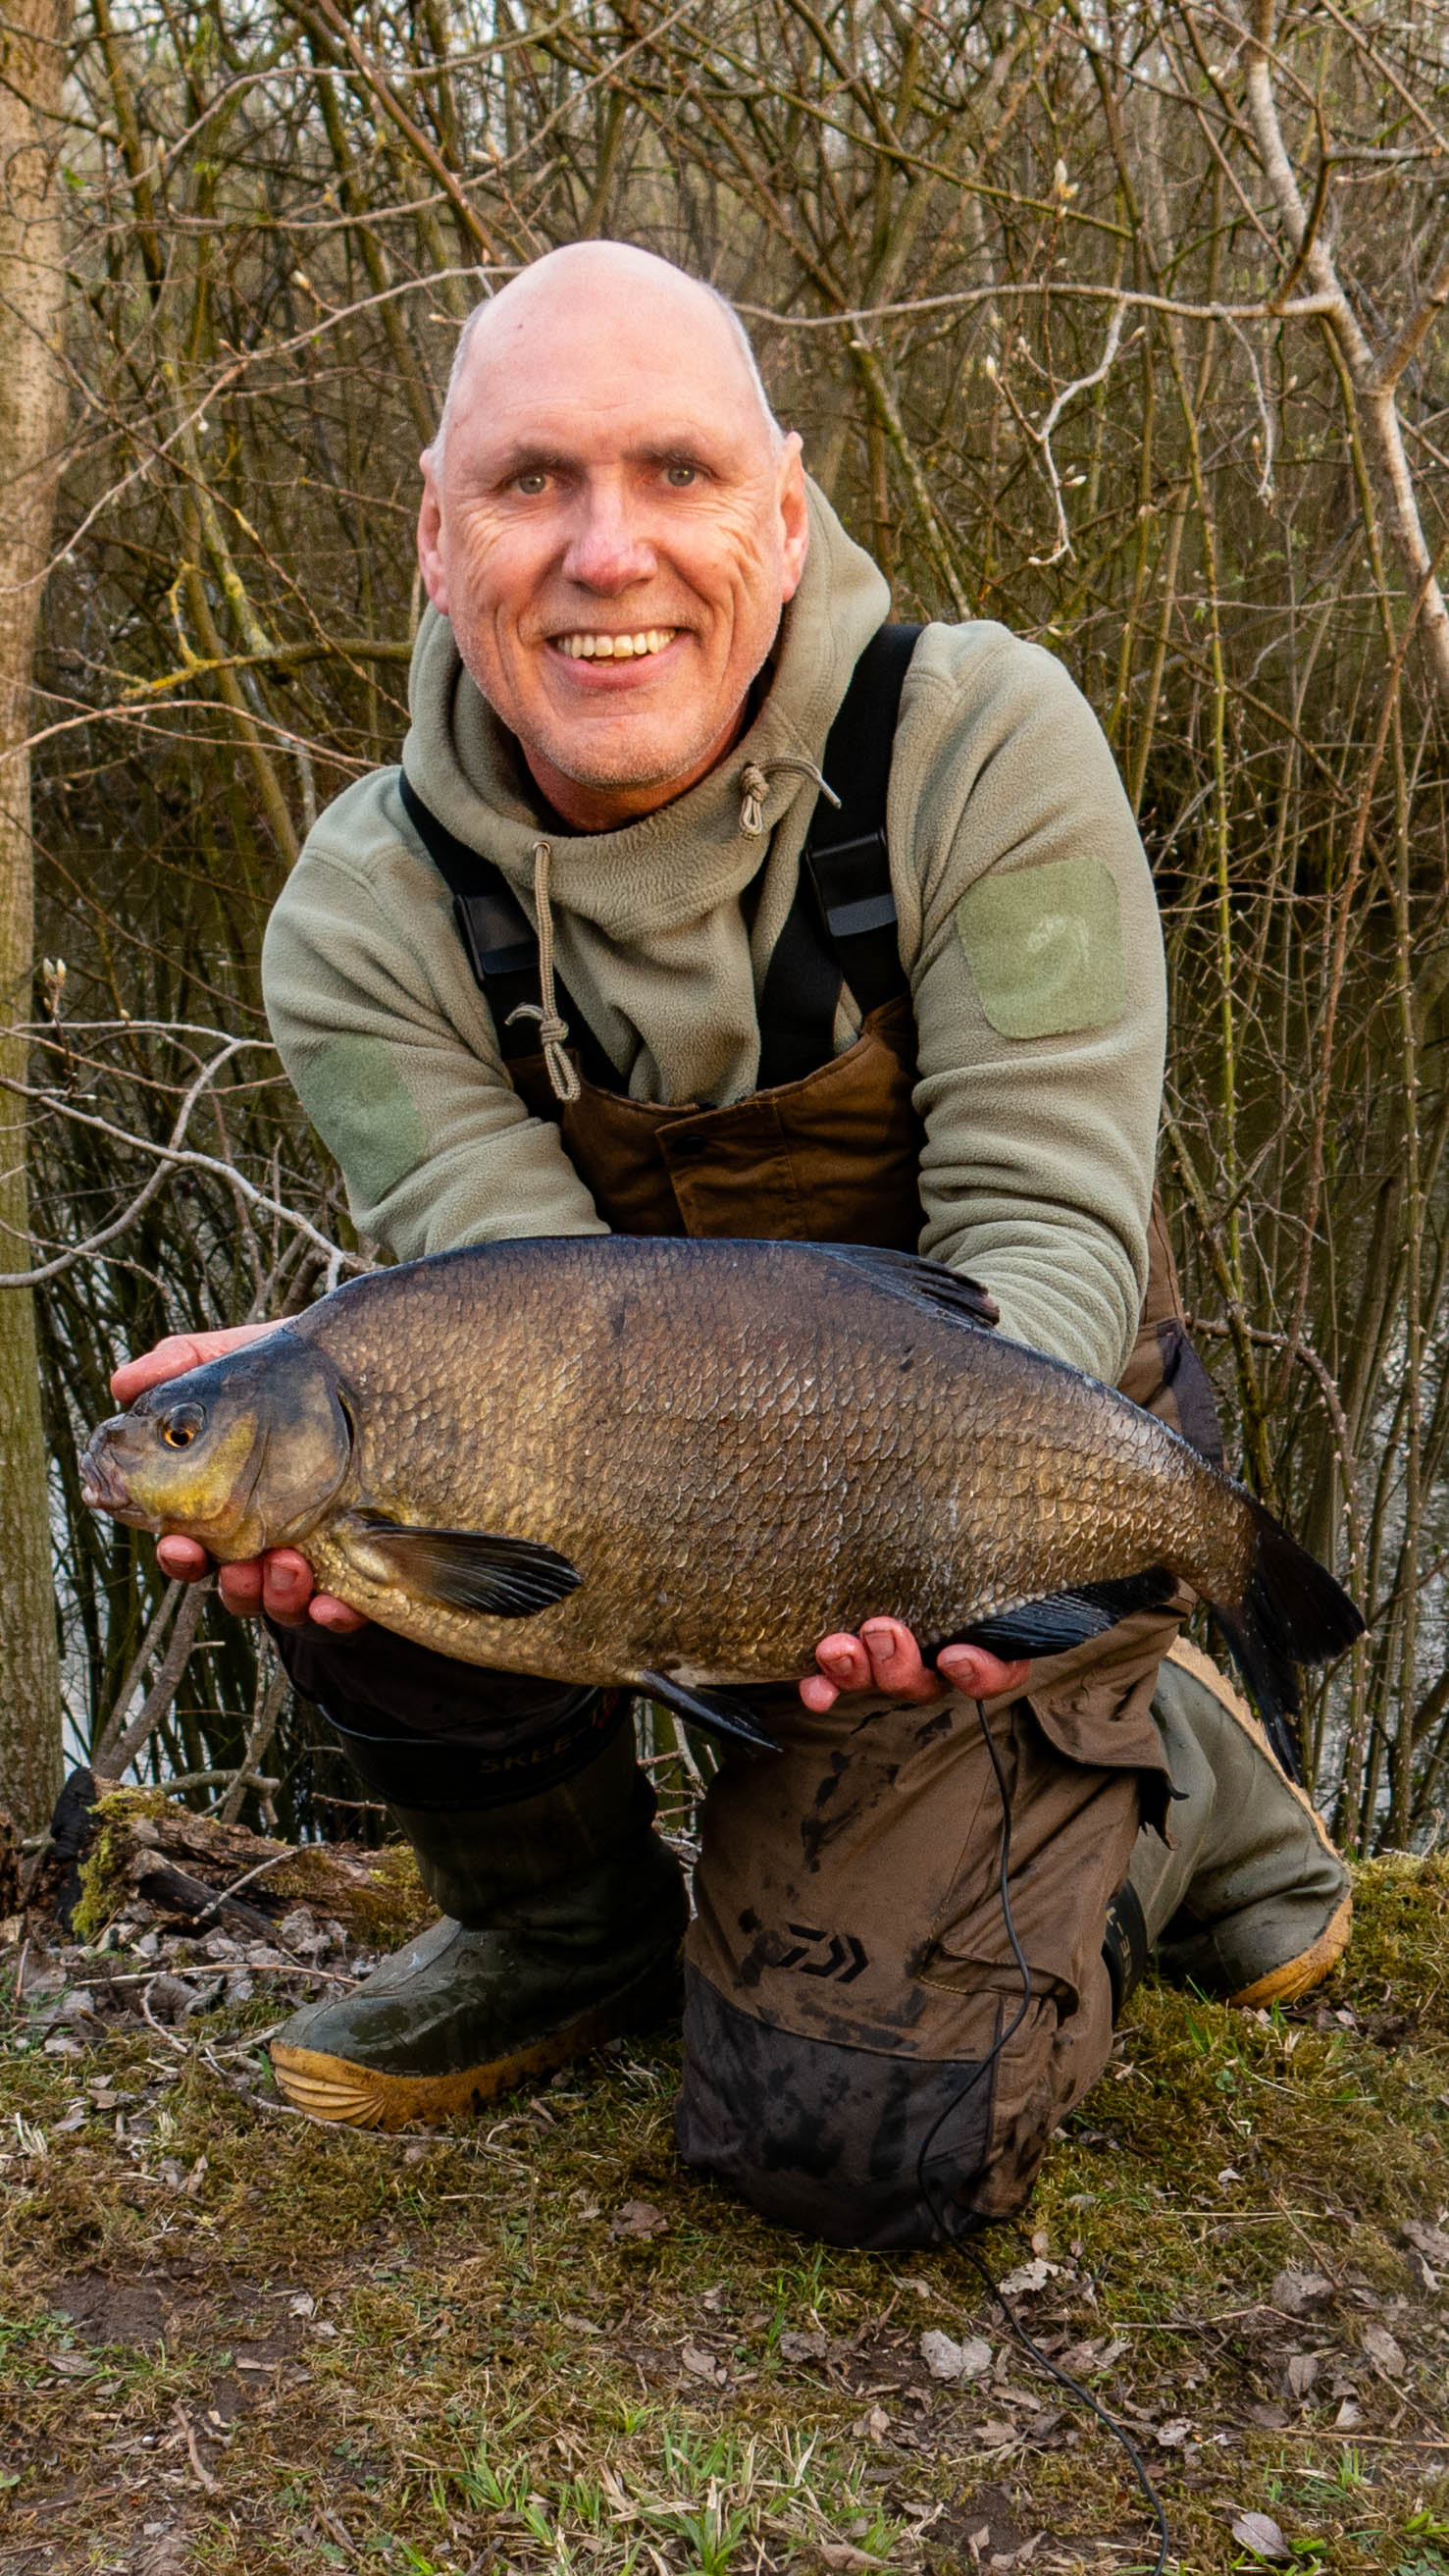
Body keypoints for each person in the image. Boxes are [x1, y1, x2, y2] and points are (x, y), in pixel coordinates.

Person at [114, 243, 1351, 2246]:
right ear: (435, 541)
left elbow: (1046, 1220)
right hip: (654, 1467)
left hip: (1001, 1435)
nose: (607, 553)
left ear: (784, 508)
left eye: (675, 472)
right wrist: (355, 1390)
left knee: (851, 2135)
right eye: (529, 485)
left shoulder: (974, 742)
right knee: (347, 1531)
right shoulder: (364, 915)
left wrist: (951, 1539)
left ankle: (1159, 1746)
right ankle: (566, 1933)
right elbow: (520, 1319)